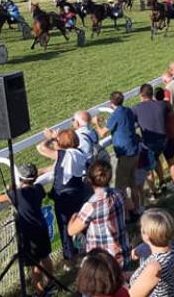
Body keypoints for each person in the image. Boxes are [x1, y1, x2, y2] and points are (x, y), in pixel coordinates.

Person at [0, 163, 55, 296]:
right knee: (45, 256)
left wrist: (9, 188)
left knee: (35, 264)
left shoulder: (18, 194)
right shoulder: (38, 188)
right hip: (41, 227)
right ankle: (51, 283)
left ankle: (40, 291)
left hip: (30, 232)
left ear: (19, 178)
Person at [37, 128, 89, 261]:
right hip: (78, 192)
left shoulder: (66, 155)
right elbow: (59, 164)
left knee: (65, 227)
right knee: (80, 222)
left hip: (65, 198)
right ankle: (87, 248)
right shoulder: (80, 153)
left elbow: (41, 148)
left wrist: (52, 138)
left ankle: (70, 257)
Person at [68, 160, 130, 267]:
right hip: (123, 254)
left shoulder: (91, 205)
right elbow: (130, 206)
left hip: (103, 262)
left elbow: (71, 231)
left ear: (90, 180)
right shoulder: (118, 193)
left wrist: (73, 217)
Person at [94, 91, 143, 221]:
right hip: (134, 151)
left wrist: (96, 123)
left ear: (111, 103)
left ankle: (126, 216)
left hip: (125, 155)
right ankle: (137, 209)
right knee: (132, 183)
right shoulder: (127, 110)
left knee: (119, 188)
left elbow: (102, 133)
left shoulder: (116, 114)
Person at [127, 209, 174, 297]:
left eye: (142, 227)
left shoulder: (155, 266)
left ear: (146, 235)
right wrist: (126, 275)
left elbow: (131, 295)